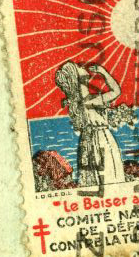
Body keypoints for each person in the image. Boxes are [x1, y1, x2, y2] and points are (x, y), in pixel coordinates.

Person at [54, 61, 132, 189]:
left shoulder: (76, 102)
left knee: (94, 178)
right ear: (77, 77)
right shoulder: (90, 101)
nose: (82, 66)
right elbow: (116, 91)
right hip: (101, 138)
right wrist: (103, 72)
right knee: (109, 176)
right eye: (78, 67)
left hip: (87, 140)